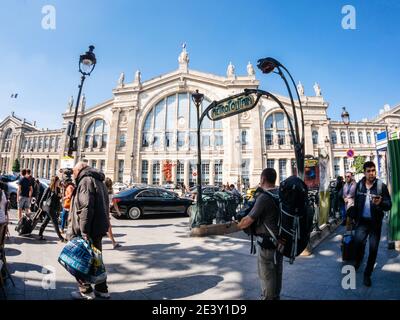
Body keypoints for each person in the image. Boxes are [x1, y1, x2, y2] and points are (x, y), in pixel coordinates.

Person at [237, 168, 282, 300]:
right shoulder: (279, 194)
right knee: (277, 272)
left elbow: (247, 221)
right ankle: (276, 297)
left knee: (267, 274)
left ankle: (268, 298)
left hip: (267, 243)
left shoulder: (264, 197)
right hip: (281, 241)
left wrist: (238, 224)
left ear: (262, 179)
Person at [67, 162, 110, 300]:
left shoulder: (85, 180)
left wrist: (84, 231)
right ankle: (102, 290)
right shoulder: (98, 180)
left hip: (87, 229)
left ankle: (85, 291)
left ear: (80, 169)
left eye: (74, 172)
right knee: (97, 260)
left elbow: (85, 207)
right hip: (98, 228)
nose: (73, 175)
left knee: (80, 259)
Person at [353, 161, 392, 287]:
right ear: (364, 172)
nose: (371, 173)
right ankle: (358, 260)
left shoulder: (381, 186)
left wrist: (380, 203)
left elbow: (389, 205)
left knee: (373, 250)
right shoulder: (359, 185)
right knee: (358, 244)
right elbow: (356, 202)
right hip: (362, 222)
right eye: (369, 171)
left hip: (375, 224)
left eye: (373, 170)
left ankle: (367, 274)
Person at [38, 176, 66, 243]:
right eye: (58, 181)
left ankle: (40, 234)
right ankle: (61, 238)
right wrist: (40, 206)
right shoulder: (48, 189)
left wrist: (61, 194)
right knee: (55, 223)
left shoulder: (58, 189)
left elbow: (58, 198)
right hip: (48, 207)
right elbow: (43, 198)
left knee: (45, 221)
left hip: (53, 208)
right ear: (55, 181)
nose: (59, 182)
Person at [104, 177, 121, 249]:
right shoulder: (110, 192)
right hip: (105, 212)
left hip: (102, 211)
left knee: (107, 228)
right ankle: (114, 243)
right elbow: (114, 203)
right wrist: (118, 211)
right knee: (108, 228)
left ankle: (114, 243)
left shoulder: (102, 191)